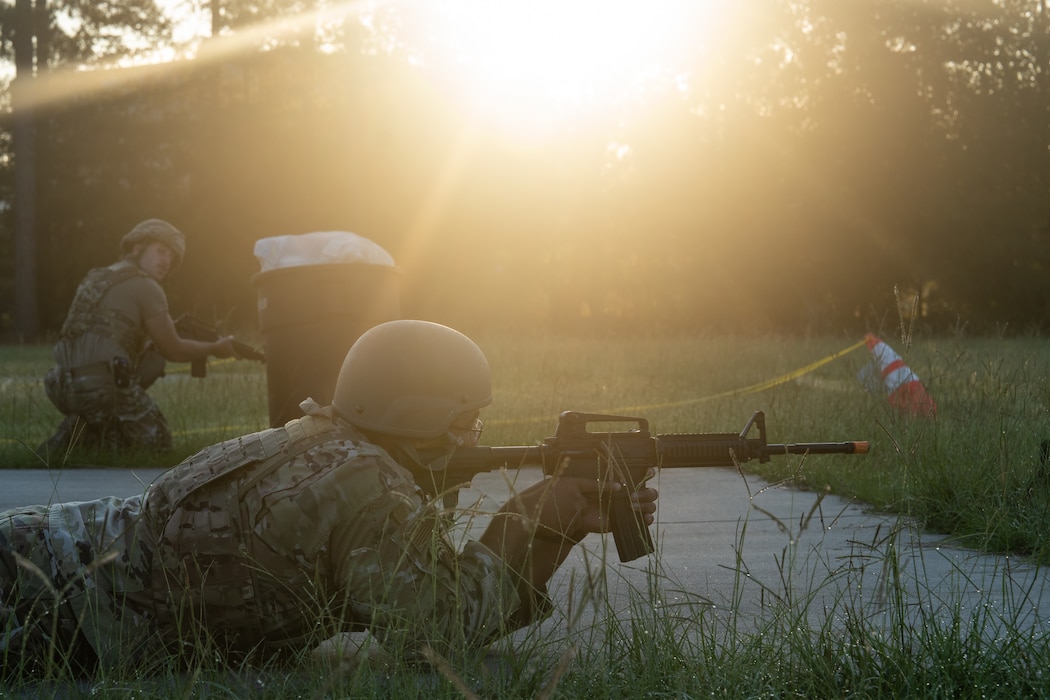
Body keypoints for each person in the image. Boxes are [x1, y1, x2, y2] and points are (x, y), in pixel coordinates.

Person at [2, 320, 659, 677]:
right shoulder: (370, 487)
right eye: (466, 419)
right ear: (418, 415)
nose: (477, 433)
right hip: (52, 604)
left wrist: (555, 526)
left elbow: (421, 582)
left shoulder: (325, 439)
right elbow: (434, 636)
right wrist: (530, 520)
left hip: (56, 548)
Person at [41, 219, 237, 455]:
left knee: (115, 430)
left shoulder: (96, 277)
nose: (166, 261)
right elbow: (173, 350)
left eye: (171, 257)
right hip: (100, 388)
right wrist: (215, 347)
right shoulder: (146, 286)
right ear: (137, 248)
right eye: (160, 251)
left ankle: (77, 437)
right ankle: (86, 434)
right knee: (159, 445)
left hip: (61, 385)